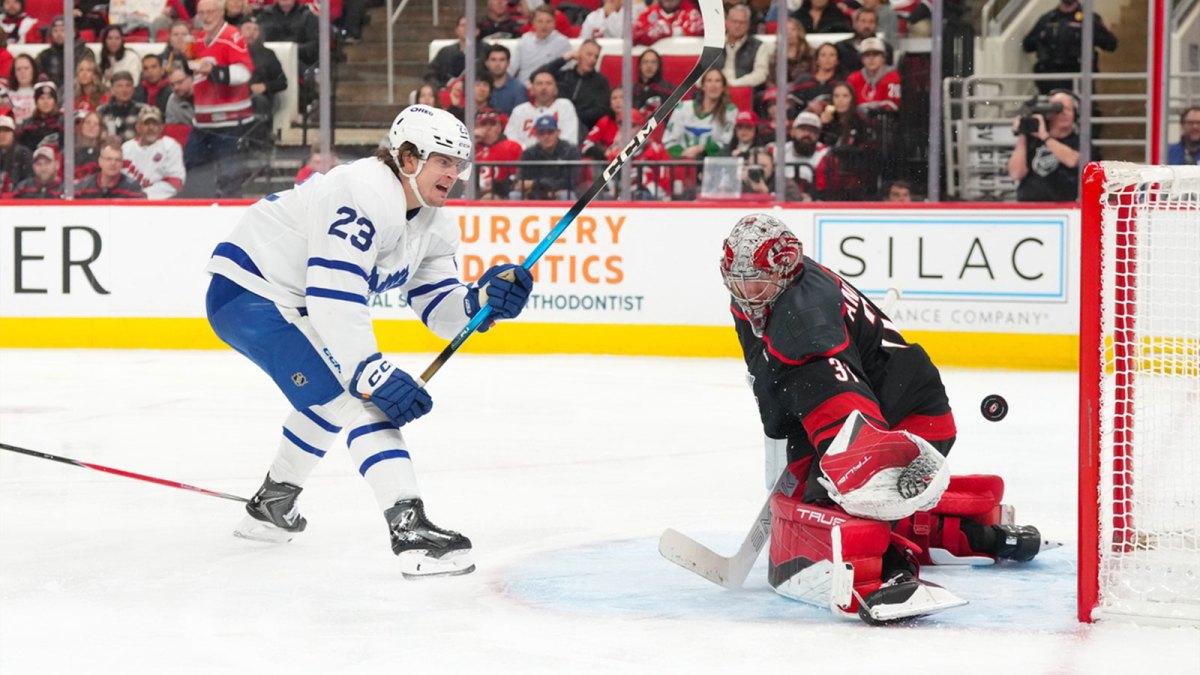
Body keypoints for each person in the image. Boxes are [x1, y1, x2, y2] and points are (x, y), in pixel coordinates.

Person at [203, 105, 533, 576]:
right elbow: (332, 293)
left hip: (289, 300)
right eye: (444, 161)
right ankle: (410, 531)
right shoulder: (361, 189)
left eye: (459, 164)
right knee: (361, 400)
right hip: (251, 293)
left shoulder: (435, 224)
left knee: (328, 397)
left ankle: (273, 505)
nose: (455, 174)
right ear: (408, 157)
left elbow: (440, 309)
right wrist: (370, 372)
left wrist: (482, 301)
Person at [717, 213, 1050, 623]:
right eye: (738, 280)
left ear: (785, 271)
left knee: (835, 500)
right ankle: (981, 535)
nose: (747, 292)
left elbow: (860, 436)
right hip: (908, 400)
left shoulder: (805, 326)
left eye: (756, 282)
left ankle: (893, 571)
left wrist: (837, 478)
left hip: (912, 425)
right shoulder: (781, 289)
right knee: (826, 484)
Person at [186, 0, 255, 198]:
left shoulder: (232, 36)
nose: (206, 17)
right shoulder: (198, 40)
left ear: (221, 12)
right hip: (202, 121)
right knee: (194, 168)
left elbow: (244, 72)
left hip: (230, 121)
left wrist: (215, 71)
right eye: (202, 13)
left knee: (230, 178)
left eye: (210, 12)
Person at [1006, 89, 1087, 202]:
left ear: (1075, 114)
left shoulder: (1080, 141)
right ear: (1048, 114)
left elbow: (1072, 160)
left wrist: (1045, 137)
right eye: (1057, 109)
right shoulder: (1032, 139)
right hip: (1030, 205)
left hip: (1065, 208)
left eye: (1068, 109)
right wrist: (1023, 134)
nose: (1063, 113)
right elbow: (1016, 173)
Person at [1022, 0, 1117, 95]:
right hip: (1050, 80)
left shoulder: (1089, 19)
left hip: (1078, 79)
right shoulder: (1047, 19)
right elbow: (1027, 45)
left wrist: (1092, 31)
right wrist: (1042, 37)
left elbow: (1111, 45)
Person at [536, 39, 611, 133]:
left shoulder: (601, 82)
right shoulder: (563, 76)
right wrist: (565, 58)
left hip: (583, 127)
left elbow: (601, 111)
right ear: (579, 54)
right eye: (589, 54)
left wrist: (571, 116)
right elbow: (537, 77)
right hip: (553, 125)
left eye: (596, 57)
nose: (593, 60)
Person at [663, 68, 736, 161]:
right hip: (683, 164)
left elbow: (726, 143)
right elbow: (669, 141)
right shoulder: (682, 108)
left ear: (723, 87)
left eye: (718, 81)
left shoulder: (729, 111)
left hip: (712, 163)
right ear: (703, 86)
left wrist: (702, 150)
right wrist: (685, 154)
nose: (713, 85)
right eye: (709, 80)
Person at [122, 106, 186, 199]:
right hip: (129, 202)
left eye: (155, 124)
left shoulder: (170, 146)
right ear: (138, 127)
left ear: (161, 127)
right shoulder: (126, 148)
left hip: (161, 203)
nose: (151, 127)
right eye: (146, 123)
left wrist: (144, 195)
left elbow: (176, 182)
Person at [504, 70, 579, 149]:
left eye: (548, 83)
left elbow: (570, 140)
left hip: (557, 158)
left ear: (556, 90)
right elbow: (510, 141)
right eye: (539, 84)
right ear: (531, 90)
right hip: (526, 158)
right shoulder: (519, 111)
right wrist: (530, 153)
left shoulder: (565, 106)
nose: (544, 88)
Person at [514, 114, 580, 200]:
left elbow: (571, 182)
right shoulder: (528, 154)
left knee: (566, 195)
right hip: (535, 194)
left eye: (550, 132)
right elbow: (520, 181)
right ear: (536, 135)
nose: (546, 136)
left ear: (558, 132)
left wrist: (535, 183)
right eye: (541, 133)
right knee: (514, 195)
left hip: (560, 193)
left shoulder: (570, 151)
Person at [509, 5, 570, 86]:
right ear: (533, 23)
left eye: (548, 21)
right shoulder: (524, 41)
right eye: (540, 21)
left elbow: (567, 72)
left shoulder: (562, 43)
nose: (544, 26)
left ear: (554, 23)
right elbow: (511, 68)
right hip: (524, 88)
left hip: (548, 89)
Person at [241, 18, 287, 118]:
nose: (251, 33)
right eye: (248, 29)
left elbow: (282, 82)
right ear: (240, 31)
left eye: (255, 29)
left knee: (258, 100)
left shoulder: (268, 54)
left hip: (259, 98)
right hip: (235, 96)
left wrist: (265, 86)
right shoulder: (231, 51)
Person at [473, 107, 521, 199]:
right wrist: (472, 141)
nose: (488, 128)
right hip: (471, 193)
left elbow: (516, 180)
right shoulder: (471, 146)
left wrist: (496, 185)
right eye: (483, 124)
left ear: (499, 127)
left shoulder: (512, 146)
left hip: (501, 194)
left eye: (492, 124)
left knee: (488, 198)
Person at [716, 4, 769, 89]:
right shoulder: (715, 44)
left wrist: (734, 84)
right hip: (715, 91)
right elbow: (701, 71)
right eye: (734, 21)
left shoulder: (758, 46)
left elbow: (760, 74)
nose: (737, 25)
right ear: (727, 22)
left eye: (741, 22)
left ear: (748, 24)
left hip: (743, 89)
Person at [259, 0, 319, 74]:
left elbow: (314, 45)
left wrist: (293, 49)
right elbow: (260, 40)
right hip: (271, 59)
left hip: (300, 59)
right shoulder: (266, 15)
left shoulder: (307, 15)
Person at [75, 137, 147, 198]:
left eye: (117, 160)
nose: (113, 163)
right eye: (108, 159)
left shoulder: (132, 188)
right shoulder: (85, 186)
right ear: (100, 161)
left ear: (122, 164)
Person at [36, 16, 94, 88]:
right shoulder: (44, 56)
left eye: (63, 30)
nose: (59, 34)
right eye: (55, 31)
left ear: (73, 32)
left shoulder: (85, 53)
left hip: (79, 93)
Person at [98, 72, 150, 142]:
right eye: (119, 86)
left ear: (133, 89)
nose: (124, 90)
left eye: (128, 85)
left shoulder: (144, 110)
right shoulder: (102, 111)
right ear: (112, 90)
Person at [16, 81, 63, 151]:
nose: (46, 102)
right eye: (41, 98)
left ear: (55, 101)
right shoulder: (26, 124)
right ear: (36, 102)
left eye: (49, 98)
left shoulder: (63, 122)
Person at [425, 14, 470, 88]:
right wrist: (440, 88)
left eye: (470, 25)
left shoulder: (485, 51)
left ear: (476, 30)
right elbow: (430, 74)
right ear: (456, 30)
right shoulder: (445, 52)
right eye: (463, 25)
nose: (466, 28)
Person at [633, 0, 702, 46]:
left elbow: (702, 29)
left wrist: (672, 30)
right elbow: (633, 34)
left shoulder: (691, 12)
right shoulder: (650, 12)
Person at [483, 44, 525, 117]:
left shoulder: (518, 88)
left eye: (502, 60)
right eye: (493, 60)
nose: (497, 64)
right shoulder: (479, 87)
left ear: (508, 63)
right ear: (487, 63)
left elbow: (520, 118)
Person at [632, 48, 673, 114]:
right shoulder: (631, 91)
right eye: (645, 62)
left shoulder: (669, 90)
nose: (649, 66)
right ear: (639, 66)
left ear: (658, 66)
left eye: (653, 62)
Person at [0, 112, 31, 195]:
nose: (2, 135)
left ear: (13, 134)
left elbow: (29, 180)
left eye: (6, 131)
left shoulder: (23, 153)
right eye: (0, 131)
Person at [580, 0, 644, 39]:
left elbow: (620, 37)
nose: (610, 2)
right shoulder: (593, 16)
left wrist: (611, 15)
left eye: (613, 0)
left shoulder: (630, 15)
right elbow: (583, 40)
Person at [73, 109, 105, 178]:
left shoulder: (105, 152)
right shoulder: (69, 152)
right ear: (82, 126)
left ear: (100, 129)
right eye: (88, 122)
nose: (91, 126)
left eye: (96, 124)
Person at [6, 52, 36, 122]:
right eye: (18, 69)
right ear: (14, 73)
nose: (22, 72)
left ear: (33, 70)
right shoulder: (6, 96)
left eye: (26, 68)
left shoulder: (41, 94)